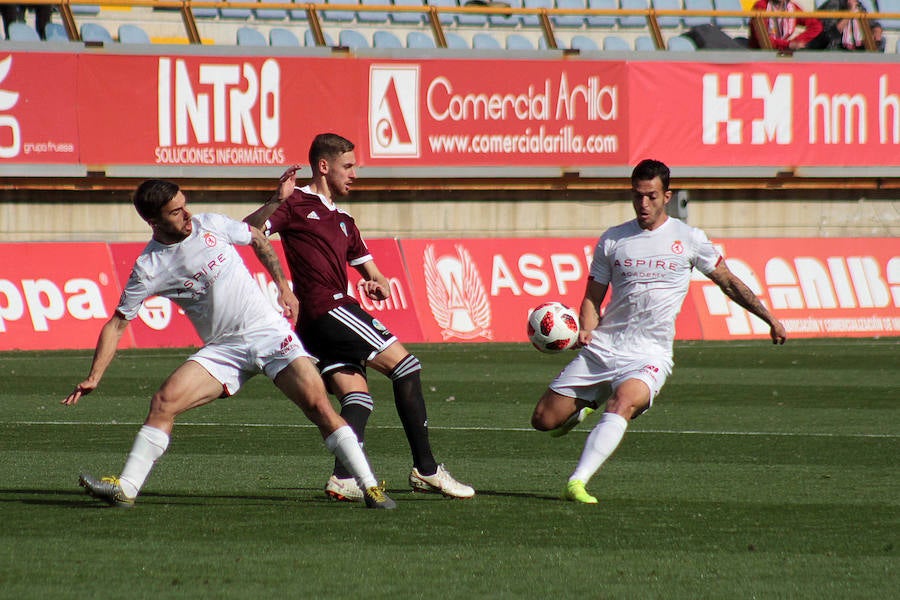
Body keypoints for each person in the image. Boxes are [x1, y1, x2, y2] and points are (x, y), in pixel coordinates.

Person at [63, 179, 396, 509]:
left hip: (269, 334)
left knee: (319, 408)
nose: (187, 214)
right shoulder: (149, 268)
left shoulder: (210, 224)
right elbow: (117, 323)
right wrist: (95, 375)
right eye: (176, 212)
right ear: (153, 221)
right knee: (164, 402)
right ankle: (127, 488)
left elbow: (256, 237)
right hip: (224, 350)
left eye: (185, 204)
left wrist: (283, 284)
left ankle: (370, 487)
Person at [530, 159, 787, 504]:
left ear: (667, 195)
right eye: (637, 196)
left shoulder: (689, 239)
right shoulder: (613, 240)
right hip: (604, 349)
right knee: (543, 421)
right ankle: (584, 405)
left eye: (651, 196)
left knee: (622, 402)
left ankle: (577, 482)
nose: (643, 204)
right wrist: (588, 330)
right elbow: (592, 297)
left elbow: (728, 282)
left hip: (649, 354)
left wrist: (768, 317)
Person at [244, 133, 474, 502]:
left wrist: (376, 284)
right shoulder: (297, 202)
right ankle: (427, 469)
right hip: (327, 308)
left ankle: (344, 477)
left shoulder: (345, 220)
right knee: (407, 367)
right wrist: (276, 202)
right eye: (347, 166)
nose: (354, 174)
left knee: (358, 397)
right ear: (324, 166)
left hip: (327, 317)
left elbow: (374, 274)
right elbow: (250, 231)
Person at [808, 0, 885, 51]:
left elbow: (872, 23)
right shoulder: (833, 5)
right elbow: (830, 35)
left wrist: (877, 31)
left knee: (881, 41)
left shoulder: (858, 6)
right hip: (834, 50)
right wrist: (850, 13)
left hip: (854, 49)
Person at [747, 0, 823, 50]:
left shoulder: (793, 7)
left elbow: (816, 26)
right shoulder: (761, 6)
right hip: (758, 53)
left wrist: (797, 41)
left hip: (780, 52)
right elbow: (763, 40)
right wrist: (788, 45)